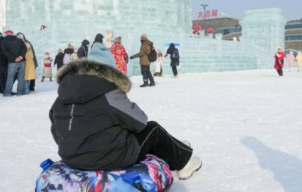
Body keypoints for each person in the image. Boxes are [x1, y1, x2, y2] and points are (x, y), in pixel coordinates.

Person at [49, 39, 202, 179]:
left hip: (70, 157)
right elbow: (140, 122)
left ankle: (178, 146)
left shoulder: (62, 96)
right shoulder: (109, 92)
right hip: (107, 158)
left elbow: (56, 129)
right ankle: (184, 164)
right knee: (153, 131)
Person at [1, 30, 27, 96]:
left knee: (10, 77)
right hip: (22, 61)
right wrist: (21, 56)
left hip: (12, 62)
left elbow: (5, 52)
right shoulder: (19, 40)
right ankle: (20, 92)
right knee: (21, 77)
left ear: (6, 34)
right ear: (13, 34)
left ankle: (8, 93)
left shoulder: (4, 42)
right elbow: (25, 48)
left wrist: (14, 58)